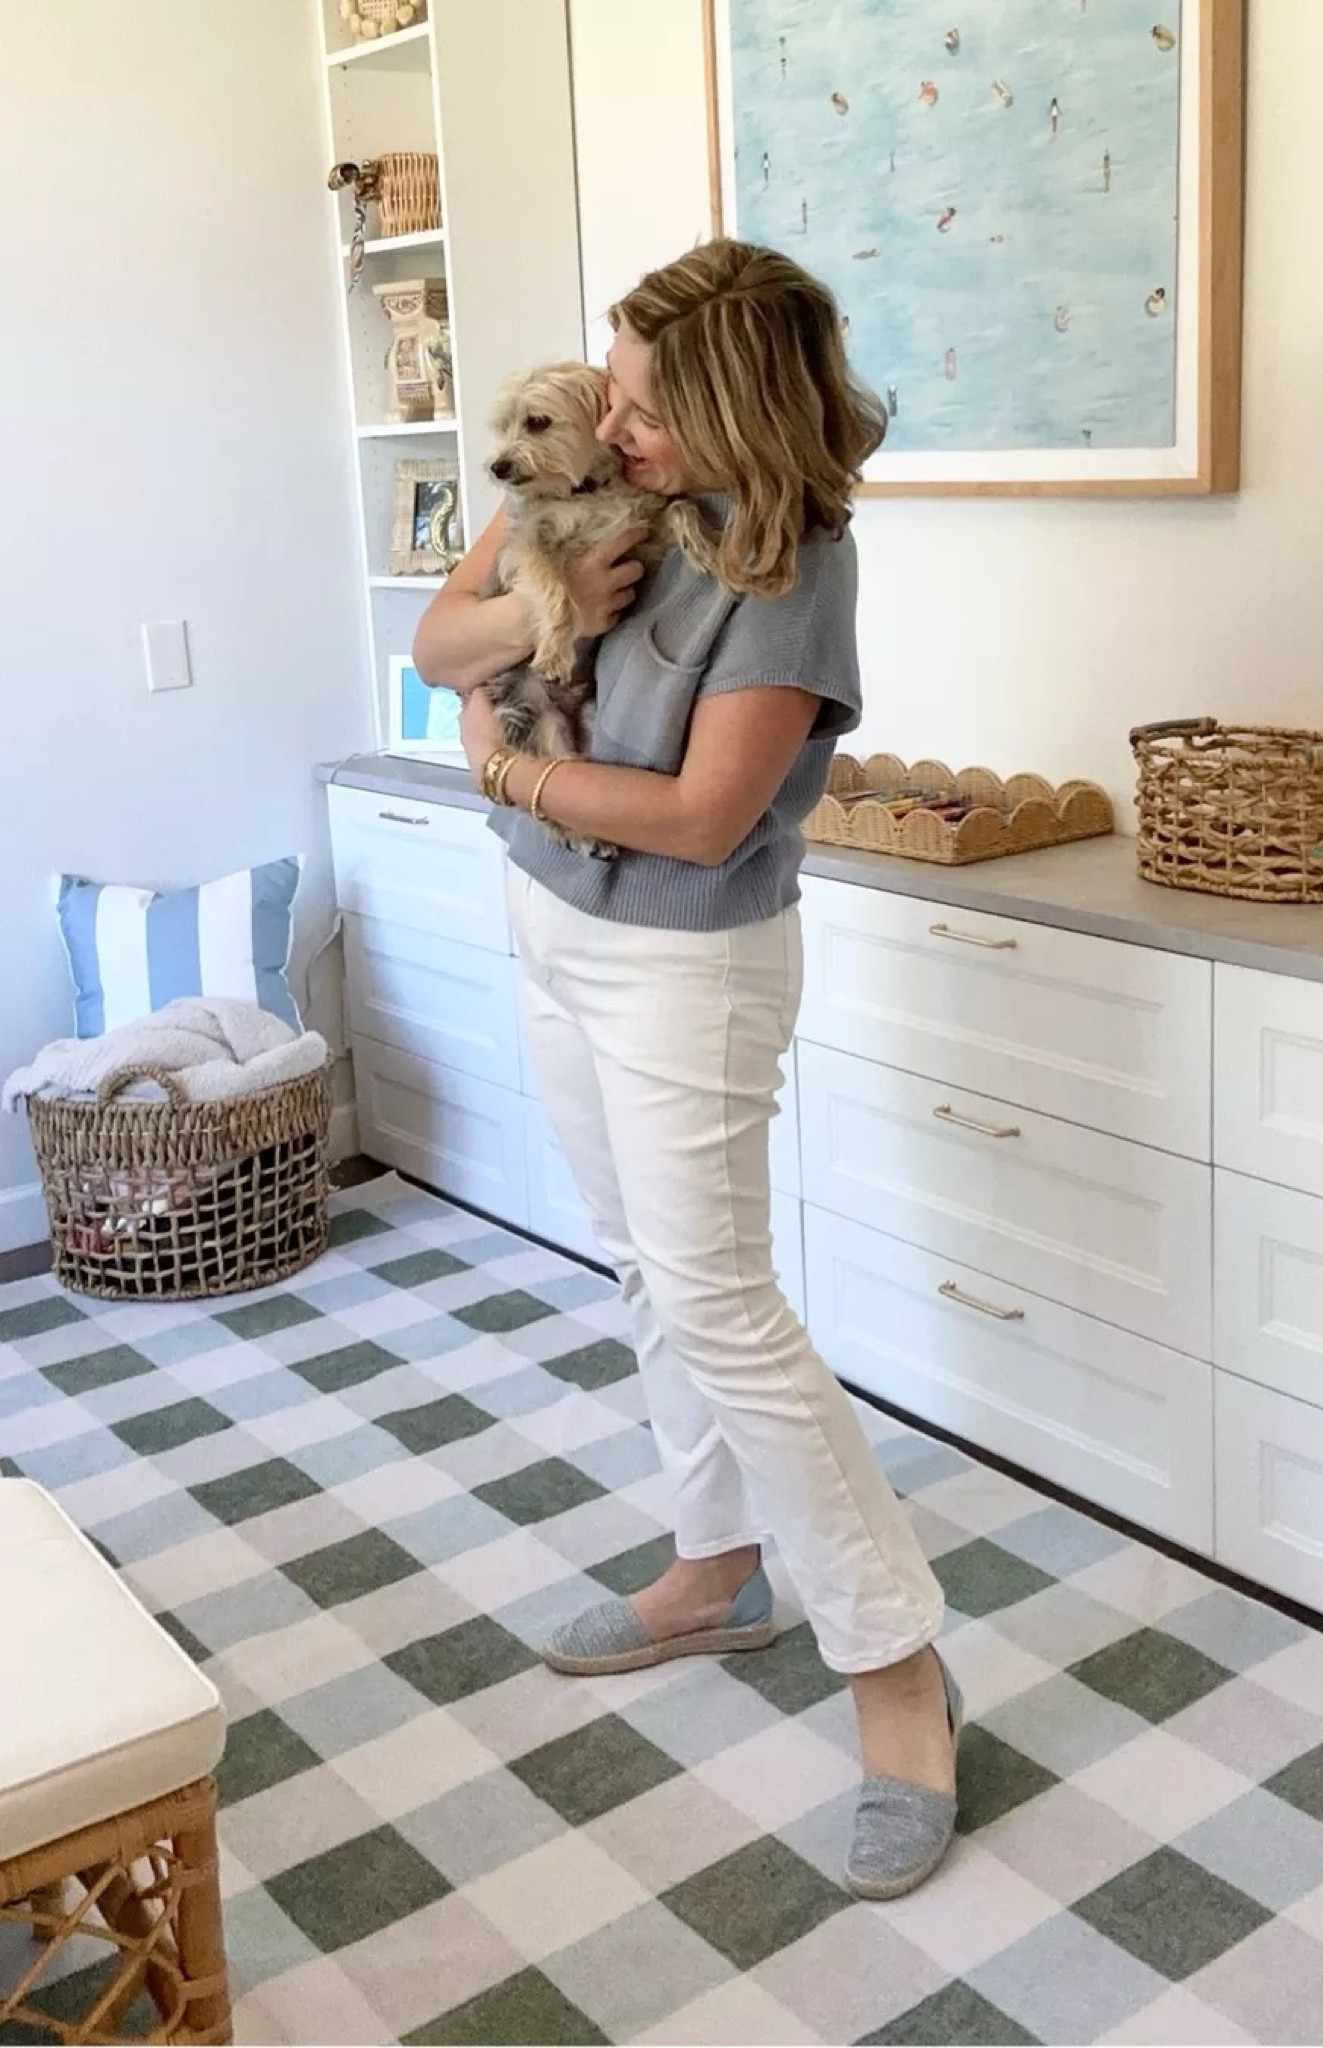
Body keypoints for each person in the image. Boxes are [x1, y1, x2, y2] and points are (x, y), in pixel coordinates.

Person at [412, 238, 959, 1899]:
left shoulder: (791, 565)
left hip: (686, 959)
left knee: (721, 1296)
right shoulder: (571, 483)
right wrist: (536, 610)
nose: (610, 422)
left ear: (729, 408)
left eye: (647, 405)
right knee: (649, 1269)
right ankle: (712, 1565)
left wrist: (504, 768)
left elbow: (702, 817)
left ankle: (894, 1672)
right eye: (611, 390)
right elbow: (440, 643)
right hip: (552, 925)